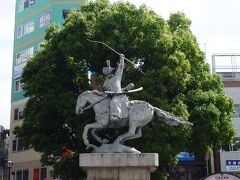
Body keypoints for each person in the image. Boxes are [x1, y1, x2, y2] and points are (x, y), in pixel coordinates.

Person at [102, 54, 131, 122]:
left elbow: (121, 67)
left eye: (110, 73)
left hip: (119, 96)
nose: (109, 74)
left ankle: (116, 115)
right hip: (111, 96)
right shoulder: (105, 82)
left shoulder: (117, 76)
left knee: (114, 102)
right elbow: (105, 90)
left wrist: (122, 58)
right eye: (107, 73)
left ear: (112, 72)